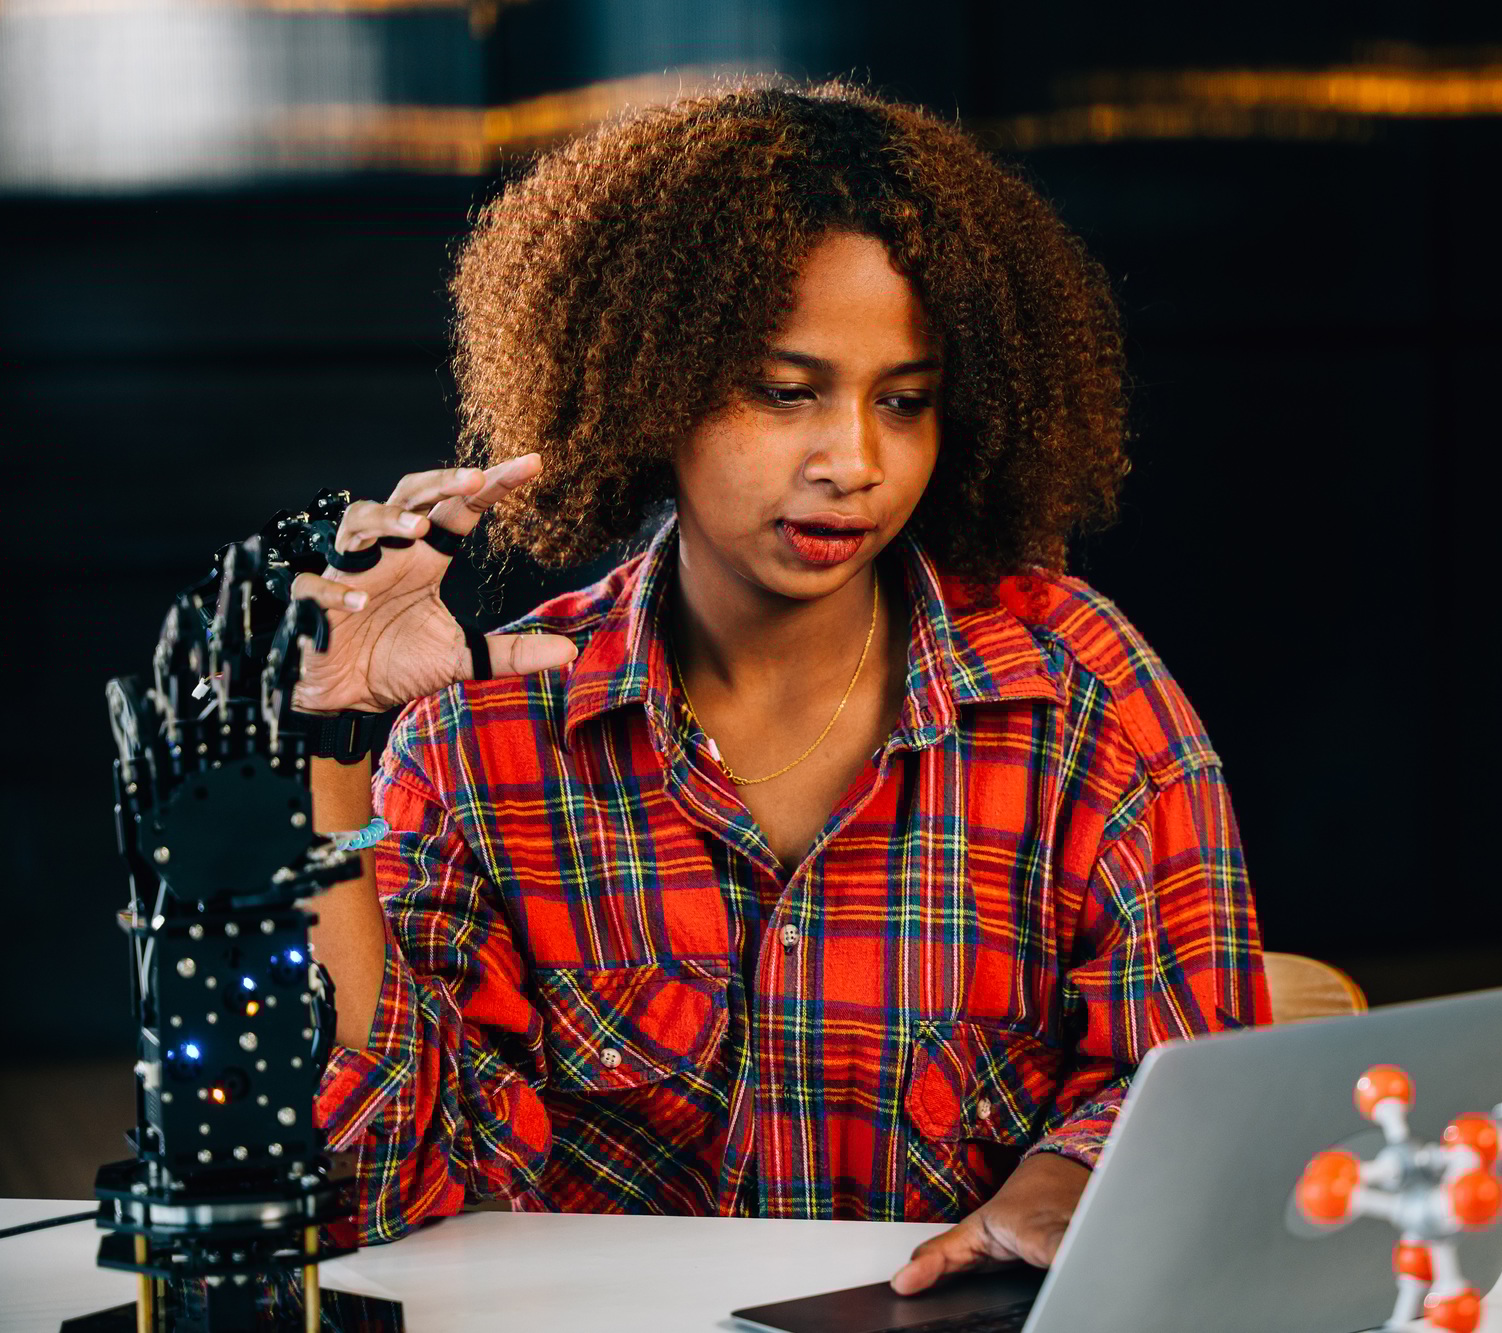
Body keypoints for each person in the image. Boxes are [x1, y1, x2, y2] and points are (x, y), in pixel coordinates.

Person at [288, 83, 1268, 1295]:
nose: (851, 462)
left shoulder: (1078, 693)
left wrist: (1076, 1168)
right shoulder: (479, 741)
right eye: (784, 391)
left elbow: (1197, 1088)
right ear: (651, 386)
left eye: (902, 402)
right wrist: (329, 747)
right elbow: (383, 1167)